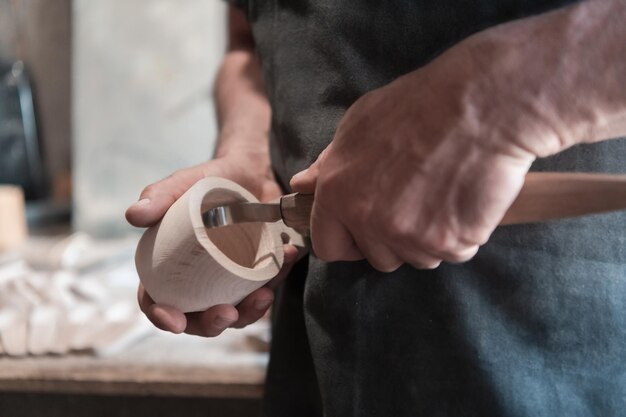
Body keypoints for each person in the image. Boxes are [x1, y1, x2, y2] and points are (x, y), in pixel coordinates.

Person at [126, 0, 626, 415]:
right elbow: (248, 46)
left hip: (541, 348)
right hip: (319, 356)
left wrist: (486, 102)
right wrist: (252, 149)